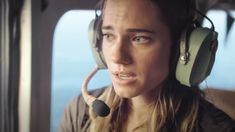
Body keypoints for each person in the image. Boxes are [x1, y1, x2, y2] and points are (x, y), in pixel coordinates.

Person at [59, 0, 235, 131]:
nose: (117, 57)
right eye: (108, 35)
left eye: (139, 39)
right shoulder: (80, 112)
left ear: (182, 47)